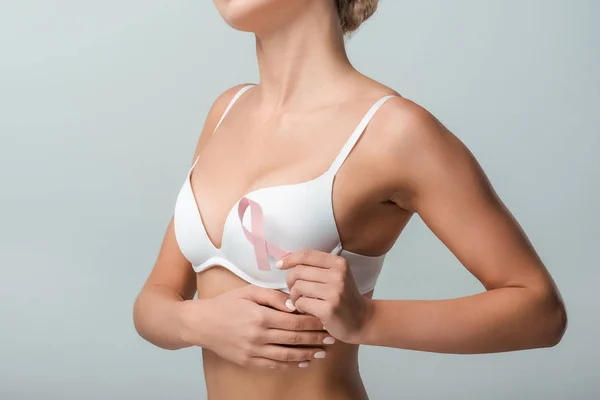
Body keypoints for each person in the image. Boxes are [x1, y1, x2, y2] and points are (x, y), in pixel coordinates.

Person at [133, 1, 568, 399]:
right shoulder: (226, 110)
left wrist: (368, 320)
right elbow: (153, 301)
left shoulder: (394, 132)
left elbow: (541, 311)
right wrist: (199, 323)